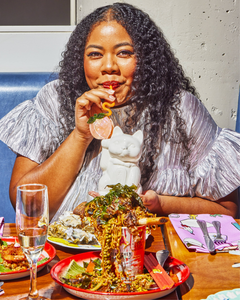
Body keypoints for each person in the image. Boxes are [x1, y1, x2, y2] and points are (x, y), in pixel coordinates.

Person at [0, 2, 239, 222]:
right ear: (80, 59)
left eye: (124, 53)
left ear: (146, 58)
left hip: (147, 253)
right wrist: (80, 136)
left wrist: (160, 204)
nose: (108, 67)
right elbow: (28, 207)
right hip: (65, 254)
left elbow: (227, 210)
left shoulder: (180, 108)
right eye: (95, 54)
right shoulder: (56, 100)